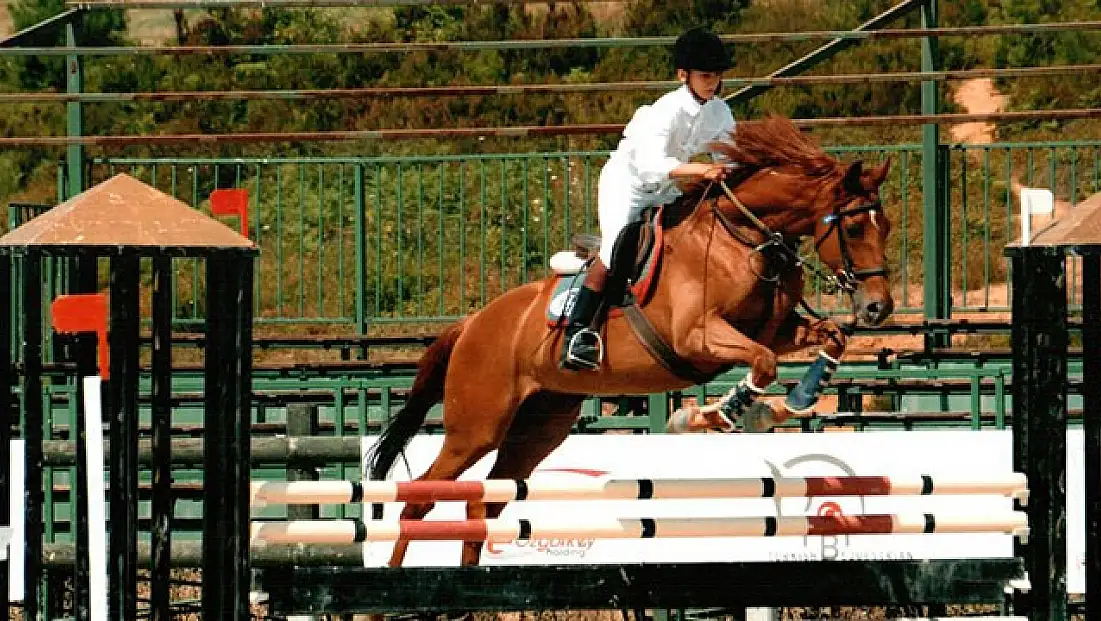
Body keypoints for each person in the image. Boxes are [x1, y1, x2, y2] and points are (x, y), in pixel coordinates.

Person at [561, 26, 737, 371]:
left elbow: (730, 156)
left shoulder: (719, 112)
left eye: (716, 76)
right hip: (628, 184)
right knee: (617, 246)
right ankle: (578, 333)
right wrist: (701, 172)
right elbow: (650, 165)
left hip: (668, 187)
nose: (712, 83)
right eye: (705, 76)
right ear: (682, 75)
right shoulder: (664, 110)